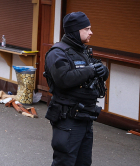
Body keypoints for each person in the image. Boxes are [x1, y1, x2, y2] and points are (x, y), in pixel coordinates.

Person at [44, 12, 107, 166]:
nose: (91, 32)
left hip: (85, 118)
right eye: (87, 28)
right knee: (64, 162)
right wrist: (90, 70)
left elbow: (94, 72)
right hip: (68, 119)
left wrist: (103, 71)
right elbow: (63, 79)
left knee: (83, 162)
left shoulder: (82, 51)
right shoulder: (57, 53)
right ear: (75, 30)